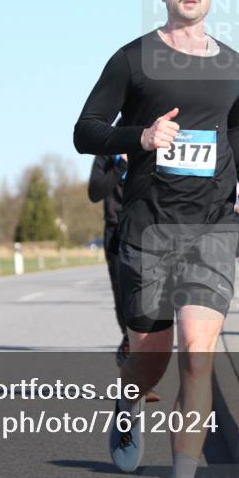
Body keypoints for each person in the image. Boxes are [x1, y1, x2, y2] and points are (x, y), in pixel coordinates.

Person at [73, 0, 239, 478]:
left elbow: (237, 124)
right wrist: (142, 136)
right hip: (150, 225)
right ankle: (129, 399)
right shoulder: (133, 59)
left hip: (213, 225)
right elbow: (85, 131)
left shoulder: (232, 64)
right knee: (150, 359)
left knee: (198, 354)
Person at [88, 153, 130, 359]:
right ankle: (128, 336)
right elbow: (95, 192)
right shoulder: (107, 154)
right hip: (115, 229)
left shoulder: (154, 147)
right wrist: (121, 164)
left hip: (146, 227)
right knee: (120, 289)